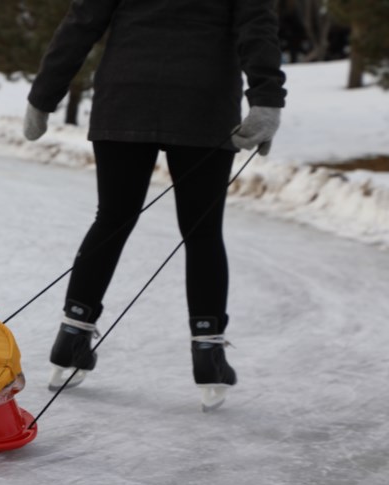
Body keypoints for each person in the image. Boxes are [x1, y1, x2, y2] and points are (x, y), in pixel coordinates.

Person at [23, 0, 287, 409]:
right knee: (201, 233)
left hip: (125, 98)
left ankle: (72, 339)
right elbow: (257, 26)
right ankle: (209, 356)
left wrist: (44, 95)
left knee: (112, 218)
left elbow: (82, 21)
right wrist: (266, 98)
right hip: (202, 105)